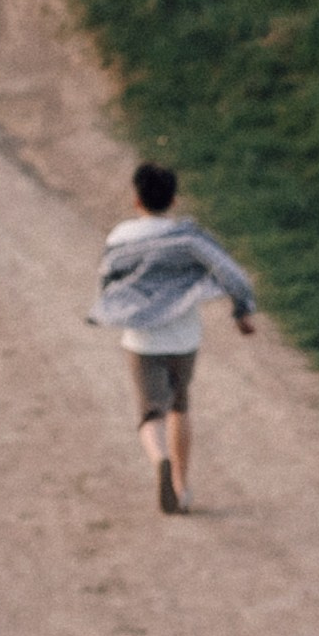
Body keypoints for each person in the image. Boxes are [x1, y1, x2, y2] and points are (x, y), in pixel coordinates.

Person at [87, 162, 257, 515]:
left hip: (141, 341)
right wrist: (242, 310)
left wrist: (116, 308)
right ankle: (180, 485)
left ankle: (159, 459)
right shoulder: (189, 238)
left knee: (151, 413)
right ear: (174, 200)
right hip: (184, 339)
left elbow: (107, 283)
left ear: (136, 200)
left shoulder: (119, 238)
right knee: (180, 406)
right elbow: (231, 273)